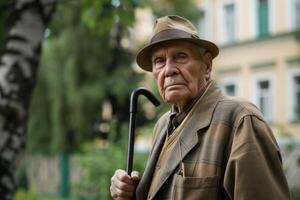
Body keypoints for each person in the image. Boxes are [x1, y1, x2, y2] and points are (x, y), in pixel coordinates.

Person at [110, 15, 290, 200]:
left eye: (180, 56)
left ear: (207, 66)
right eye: (159, 61)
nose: (168, 69)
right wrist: (130, 192)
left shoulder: (241, 120)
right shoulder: (163, 125)